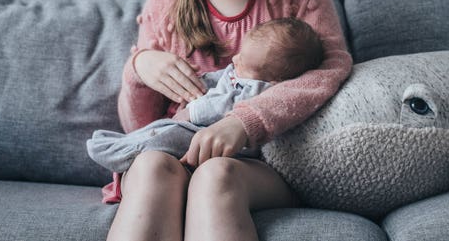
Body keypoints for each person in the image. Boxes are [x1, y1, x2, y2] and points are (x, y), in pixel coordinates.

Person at [104, 0, 352, 241]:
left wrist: (244, 121)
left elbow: (330, 67)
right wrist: (139, 70)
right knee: (150, 167)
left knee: (215, 174)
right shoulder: (165, 1)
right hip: (174, 156)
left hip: (263, 163)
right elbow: (141, 130)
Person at [87, 17, 324, 173]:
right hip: (197, 129)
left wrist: (192, 112)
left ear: (274, 81)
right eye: (239, 54)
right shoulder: (244, 69)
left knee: (172, 134)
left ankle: (126, 151)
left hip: (218, 139)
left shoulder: (260, 90)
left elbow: (225, 104)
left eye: (243, 62)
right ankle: (128, 144)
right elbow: (219, 80)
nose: (234, 59)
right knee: (163, 134)